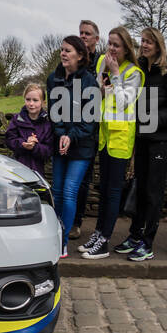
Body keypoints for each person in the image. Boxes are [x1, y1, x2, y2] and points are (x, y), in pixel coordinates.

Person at [116, 27, 167, 262]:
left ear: (159, 45)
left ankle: (148, 242)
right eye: (142, 41)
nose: (144, 45)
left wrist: (151, 122)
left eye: (149, 42)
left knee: (153, 193)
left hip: (160, 141)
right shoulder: (140, 70)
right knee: (140, 188)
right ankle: (135, 236)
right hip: (141, 141)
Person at [81, 27, 145, 258]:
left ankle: (105, 241)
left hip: (120, 139)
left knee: (113, 192)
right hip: (104, 137)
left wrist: (115, 73)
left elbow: (122, 102)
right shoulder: (102, 63)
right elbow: (97, 94)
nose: (111, 49)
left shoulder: (134, 72)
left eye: (116, 45)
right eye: (109, 44)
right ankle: (98, 234)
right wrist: (104, 79)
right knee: (105, 189)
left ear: (127, 48)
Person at [47, 35, 97, 258]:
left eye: (68, 50)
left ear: (80, 55)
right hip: (60, 142)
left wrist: (72, 136)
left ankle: (63, 241)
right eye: (62, 50)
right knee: (56, 192)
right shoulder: (53, 79)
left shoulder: (89, 82)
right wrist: (61, 134)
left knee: (69, 192)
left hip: (82, 146)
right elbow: (53, 113)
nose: (63, 54)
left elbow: (90, 121)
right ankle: (52, 236)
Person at [69, 20, 103, 240]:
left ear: (96, 39)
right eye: (80, 32)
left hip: (92, 129)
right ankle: (66, 220)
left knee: (82, 181)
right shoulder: (72, 62)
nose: (83, 36)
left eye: (87, 33)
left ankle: (76, 223)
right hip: (71, 126)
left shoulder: (102, 62)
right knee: (66, 181)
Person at [4, 83, 53, 175]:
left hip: (37, 171)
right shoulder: (17, 119)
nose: (31, 103)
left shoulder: (47, 124)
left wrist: (35, 147)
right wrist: (23, 144)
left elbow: (48, 150)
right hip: (17, 168)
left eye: (35, 100)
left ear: (43, 102)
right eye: (28, 99)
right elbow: (9, 140)